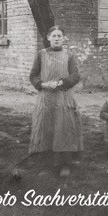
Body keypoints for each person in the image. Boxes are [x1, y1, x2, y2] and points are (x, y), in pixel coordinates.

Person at [28, 26, 84, 177]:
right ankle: (46, 165)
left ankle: (65, 164)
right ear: (48, 37)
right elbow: (33, 75)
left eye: (60, 35)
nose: (57, 38)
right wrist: (43, 84)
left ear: (63, 38)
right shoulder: (41, 54)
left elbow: (75, 75)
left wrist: (60, 83)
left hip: (63, 97)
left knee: (64, 128)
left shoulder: (69, 55)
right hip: (46, 98)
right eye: (54, 35)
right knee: (45, 128)